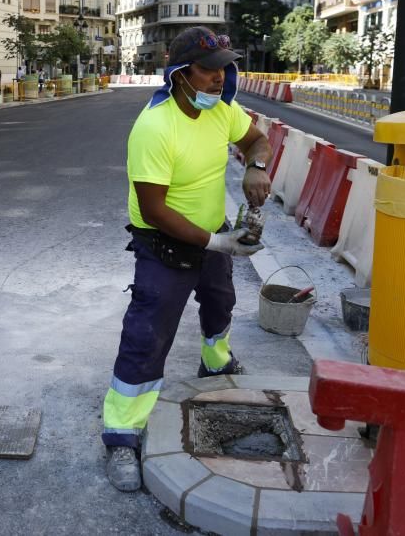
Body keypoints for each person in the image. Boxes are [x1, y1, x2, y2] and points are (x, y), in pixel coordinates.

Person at [102, 26, 272, 492]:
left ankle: (215, 365)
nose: (220, 79)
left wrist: (255, 167)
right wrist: (218, 245)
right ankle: (122, 432)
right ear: (179, 74)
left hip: (213, 235)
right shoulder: (154, 128)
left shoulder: (222, 111)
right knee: (148, 332)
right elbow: (155, 210)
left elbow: (257, 140)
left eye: (225, 69)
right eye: (209, 70)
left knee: (220, 305)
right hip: (164, 245)